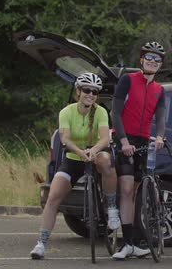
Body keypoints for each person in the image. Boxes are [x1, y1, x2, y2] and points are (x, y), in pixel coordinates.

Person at [30, 73, 119, 259]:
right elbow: (65, 139)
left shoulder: (100, 112)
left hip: (95, 154)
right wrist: (80, 152)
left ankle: (111, 210)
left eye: (94, 92)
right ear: (78, 91)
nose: (91, 94)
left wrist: (92, 151)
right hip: (73, 158)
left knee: (105, 160)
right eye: (86, 90)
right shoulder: (66, 112)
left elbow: (104, 139)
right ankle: (41, 244)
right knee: (53, 197)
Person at [111, 41, 167, 260]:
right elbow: (115, 112)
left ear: (161, 64)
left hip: (143, 140)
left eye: (157, 59)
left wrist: (160, 136)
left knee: (134, 192)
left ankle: (133, 242)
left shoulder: (159, 90)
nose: (152, 62)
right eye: (149, 58)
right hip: (125, 138)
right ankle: (125, 243)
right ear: (141, 60)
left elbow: (160, 117)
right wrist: (123, 141)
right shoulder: (128, 80)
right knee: (125, 190)